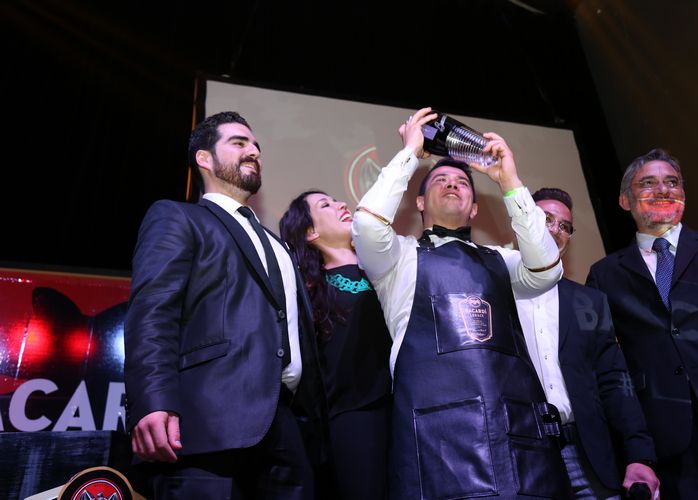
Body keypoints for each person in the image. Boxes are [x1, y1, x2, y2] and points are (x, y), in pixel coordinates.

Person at [352, 107, 570, 499]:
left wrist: (509, 181)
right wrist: (411, 153)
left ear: (475, 207)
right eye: (440, 179)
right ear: (419, 202)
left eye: (462, 182)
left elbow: (547, 269)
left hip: (516, 439)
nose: (452, 183)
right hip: (436, 444)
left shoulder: (503, 261)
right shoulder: (397, 259)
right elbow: (367, 225)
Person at [124, 111, 326, 499]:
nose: (254, 151)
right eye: (239, 143)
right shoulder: (178, 217)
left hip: (287, 431)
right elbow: (153, 312)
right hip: (207, 424)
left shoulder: (278, 245)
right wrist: (152, 401)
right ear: (204, 158)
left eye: (256, 146)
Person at [586, 148, 698, 499]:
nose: (663, 189)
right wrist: (636, 448)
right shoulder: (604, 275)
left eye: (672, 182)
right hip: (671, 440)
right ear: (625, 201)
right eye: (648, 183)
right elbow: (607, 367)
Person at [516, 187, 659, 499]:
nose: (555, 229)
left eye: (564, 225)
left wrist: (639, 455)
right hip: (520, 459)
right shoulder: (490, 292)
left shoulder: (589, 302)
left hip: (587, 456)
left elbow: (614, 380)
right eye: (545, 218)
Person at [279, 190, 392, 500]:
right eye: (325, 205)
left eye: (337, 200)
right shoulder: (307, 293)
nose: (342, 204)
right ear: (310, 232)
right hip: (352, 419)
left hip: (403, 409)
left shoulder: (387, 268)